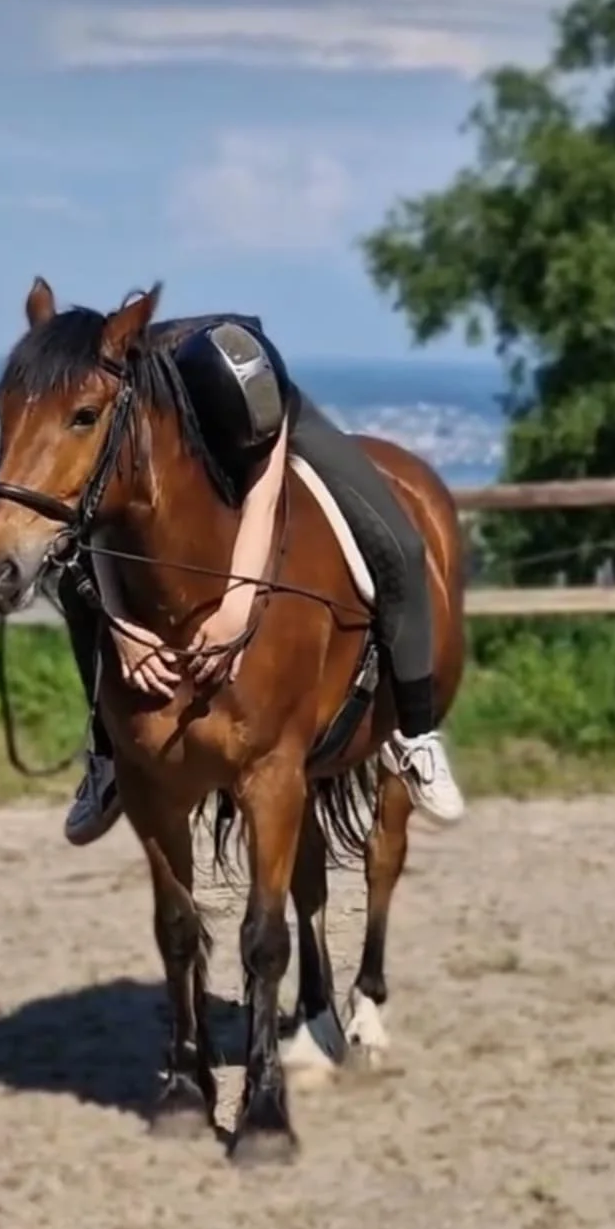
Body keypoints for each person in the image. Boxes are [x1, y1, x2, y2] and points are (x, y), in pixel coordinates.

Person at [61, 315, 466, 846]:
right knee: (73, 575)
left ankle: (417, 737)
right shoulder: (152, 410)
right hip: (192, 417)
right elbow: (112, 522)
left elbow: (261, 500)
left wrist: (235, 609)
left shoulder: (265, 405)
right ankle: (105, 753)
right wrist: (120, 626)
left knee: (402, 546)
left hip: (283, 418)